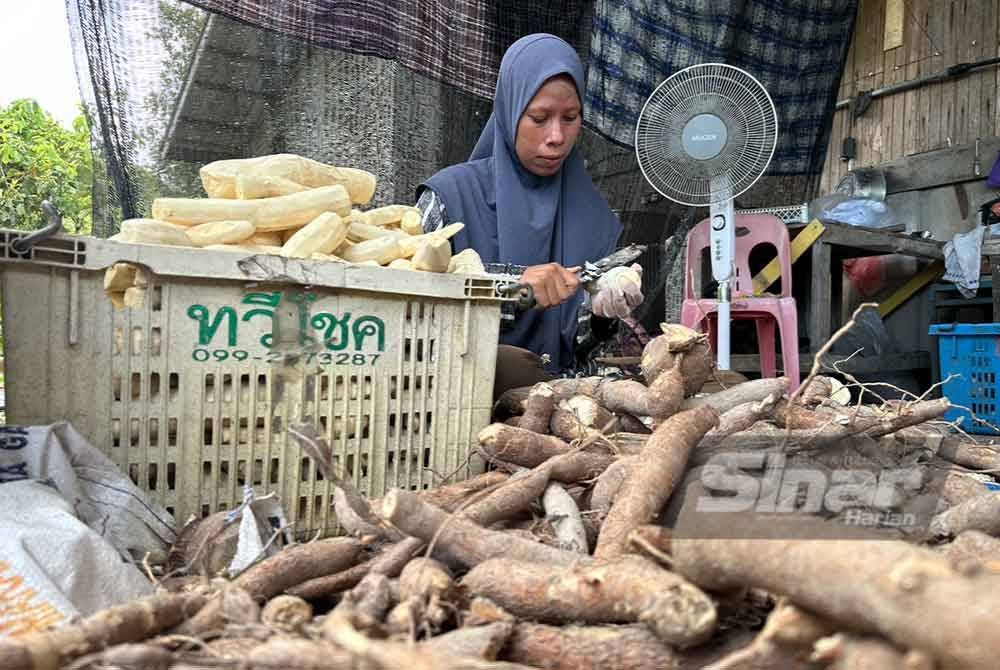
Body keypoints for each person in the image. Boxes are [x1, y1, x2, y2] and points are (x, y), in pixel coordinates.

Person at [416, 33, 643, 397]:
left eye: (570, 118)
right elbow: (407, 304)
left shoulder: (596, 220)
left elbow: (591, 361)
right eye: (539, 118)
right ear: (509, 112)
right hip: (450, 404)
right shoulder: (447, 199)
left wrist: (601, 314)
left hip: (561, 417)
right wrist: (512, 288)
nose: (556, 136)